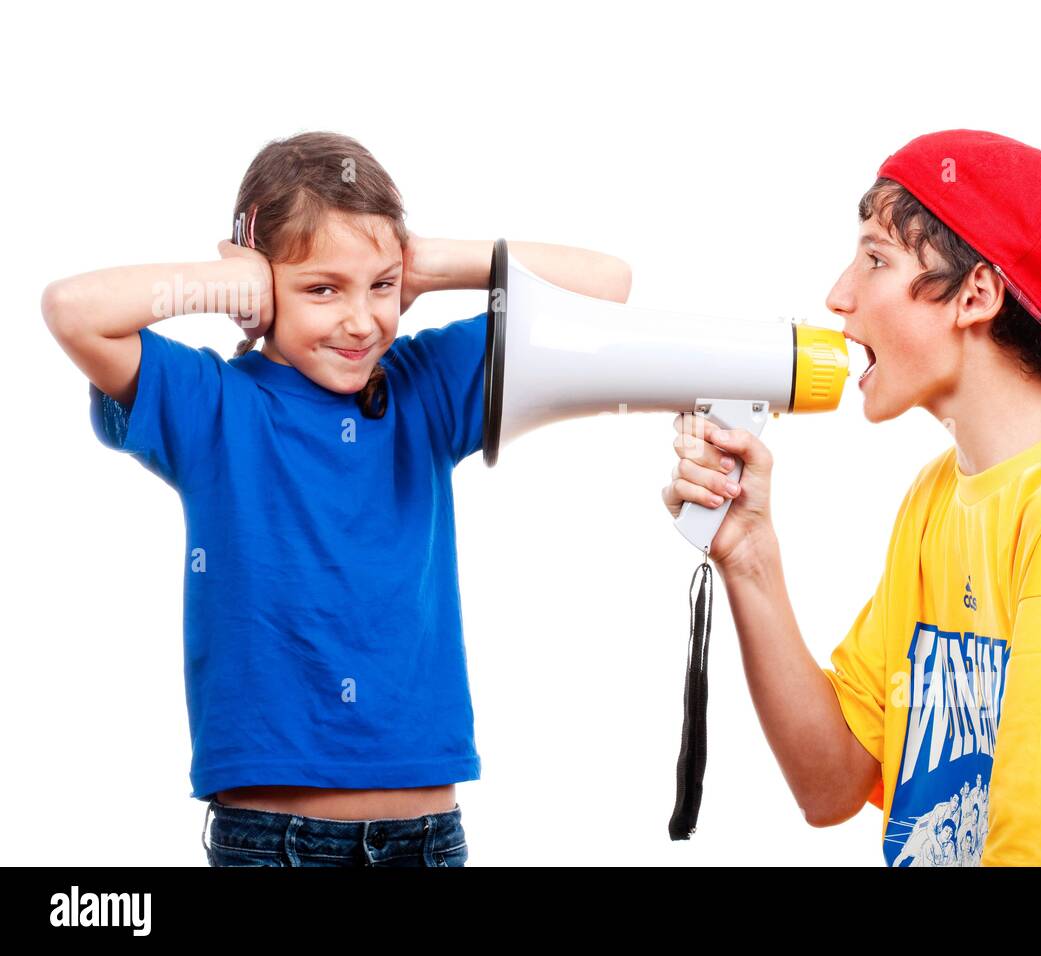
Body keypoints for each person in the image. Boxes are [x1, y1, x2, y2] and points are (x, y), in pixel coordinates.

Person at [662, 129, 1041, 866]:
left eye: (875, 260)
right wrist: (750, 556)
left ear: (977, 294)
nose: (838, 295)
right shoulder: (938, 497)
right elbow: (831, 785)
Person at [43, 130, 631, 866]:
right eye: (323, 288)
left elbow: (608, 289)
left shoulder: (427, 388)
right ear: (258, 284)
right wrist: (228, 282)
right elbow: (72, 308)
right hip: (272, 841)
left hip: (427, 836)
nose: (362, 321)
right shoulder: (211, 404)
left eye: (380, 286)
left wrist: (430, 261)